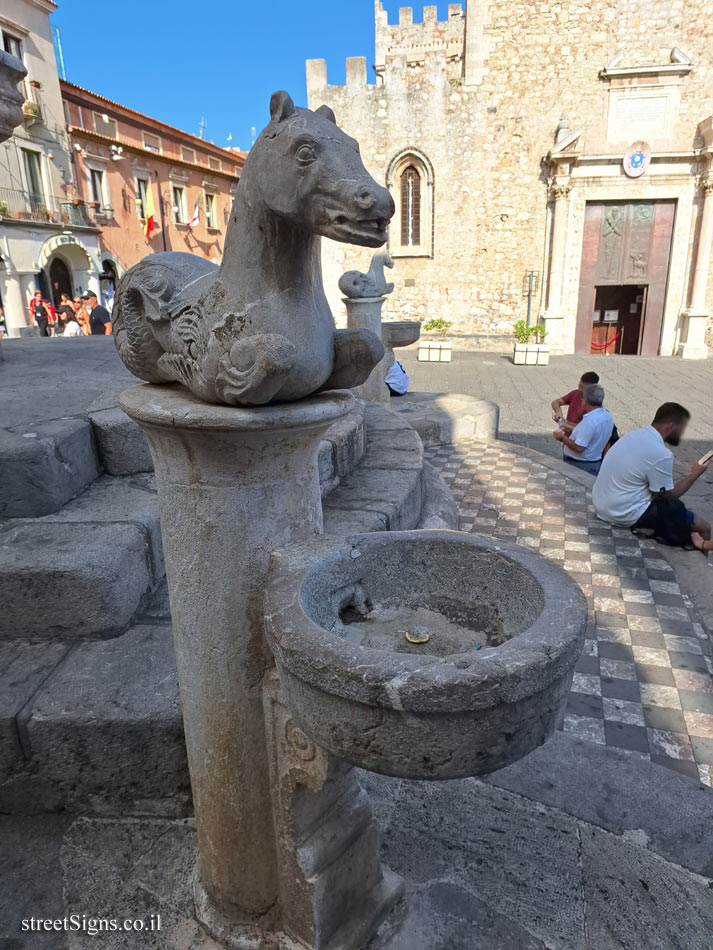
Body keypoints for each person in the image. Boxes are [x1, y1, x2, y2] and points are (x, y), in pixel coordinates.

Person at [592, 402, 711, 548]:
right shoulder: (661, 454)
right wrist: (695, 474)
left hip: (601, 505)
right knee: (703, 527)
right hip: (623, 513)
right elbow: (668, 496)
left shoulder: (633, 436)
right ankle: (701, 564)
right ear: (670, 426)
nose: (681, 434)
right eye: (681, 429)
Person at [553, 384, 613, 476]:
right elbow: (587, 431)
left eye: (582, 398)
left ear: (585, 401)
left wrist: (562, 437)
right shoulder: (607, 416)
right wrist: (567, 424)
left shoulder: (590, 421)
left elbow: (579, 448)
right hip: (594, 462)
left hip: (579, 465)